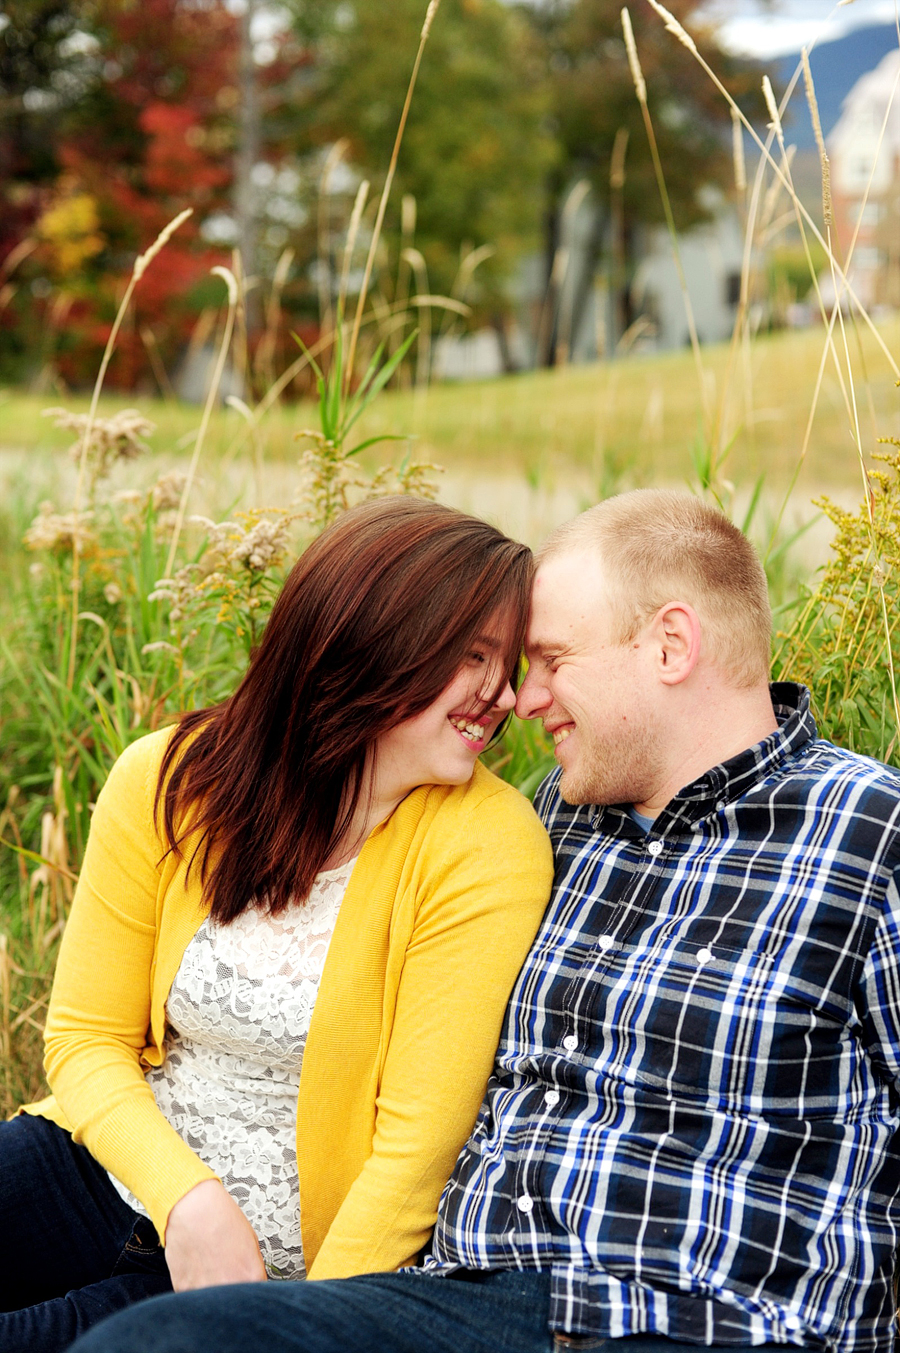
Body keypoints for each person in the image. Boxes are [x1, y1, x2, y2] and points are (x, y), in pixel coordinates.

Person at [72, 487, 900, 1353]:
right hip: (466, 1306)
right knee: (161, 1342)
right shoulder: (553, 819)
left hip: (705, 1319)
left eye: (550, 658)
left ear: (670, 644)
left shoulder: (871, 835)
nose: (521, 697)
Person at [0, 495, 555, 1353]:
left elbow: (414, 1156)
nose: (506, 695)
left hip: (271, 1274)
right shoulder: (168, 779)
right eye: (475, 656)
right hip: (105, 1172)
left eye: (507, 660)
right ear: (371, 640)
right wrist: (189, 1198)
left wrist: (292, 1328)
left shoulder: (486, 844)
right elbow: (84, 1037)